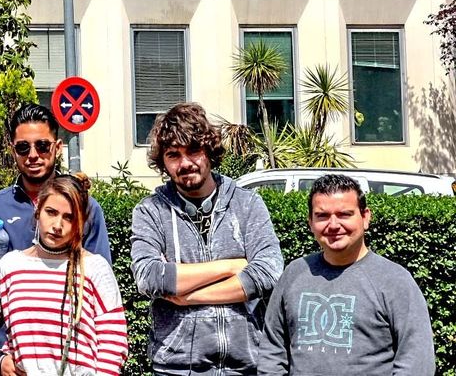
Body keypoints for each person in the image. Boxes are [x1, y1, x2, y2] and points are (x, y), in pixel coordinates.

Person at [131, 102, 283, 376]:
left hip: (246, 366)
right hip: (176, 369)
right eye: (173, 155)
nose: (185, 163)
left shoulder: (247, 204)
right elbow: (150, 277)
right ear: (163, 161)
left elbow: (268, 271)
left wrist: (188, 296)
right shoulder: (150, 211)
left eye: (193, 151)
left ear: (209, 152)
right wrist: (232, 266)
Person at [257, 174, 434, 376]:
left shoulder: (395, 280)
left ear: (365, 217)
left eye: (344, 214)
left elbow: (417, 362)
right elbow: (272, 351)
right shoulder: (294, 273)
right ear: (310, 222)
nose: (333, 225)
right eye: (322, 216)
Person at [0, 175, 126, 376]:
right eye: (51, 212)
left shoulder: (94, 268)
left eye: (69, 217)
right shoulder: (10, 266)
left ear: (80, 222)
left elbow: (114, 339)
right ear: (38, 210)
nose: (58, 225)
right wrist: (0, 359)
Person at [0, 104, 110, 261]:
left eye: (42, 146)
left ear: (57, 148)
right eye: (23, 147)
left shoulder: (85, 207)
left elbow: (100, 273)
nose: (33, 155)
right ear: (12, 151)